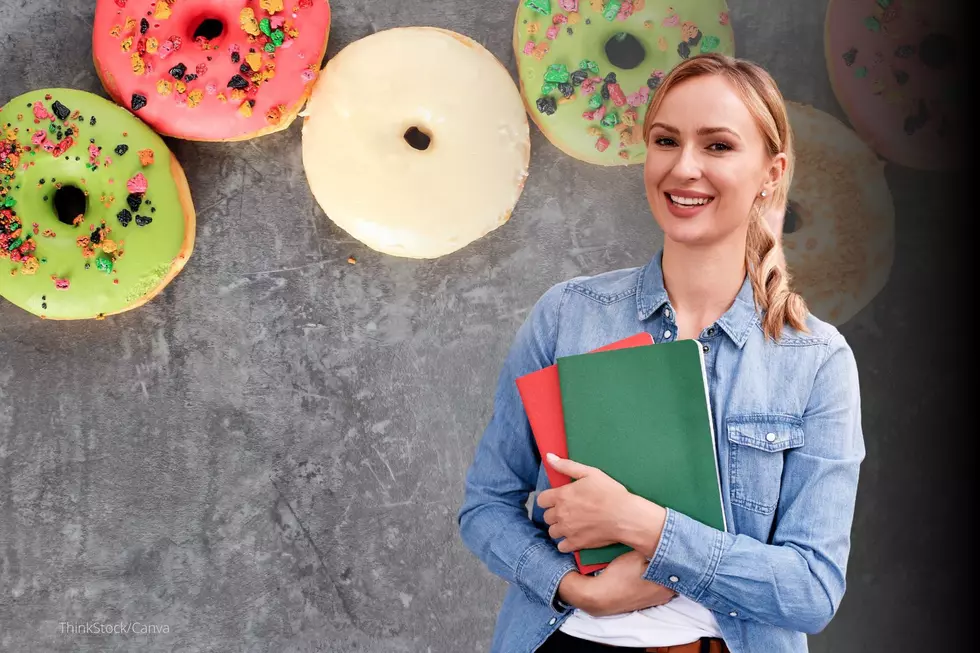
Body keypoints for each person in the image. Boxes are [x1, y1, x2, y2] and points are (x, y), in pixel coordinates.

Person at [457, 52, 865, 653]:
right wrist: (573, 587)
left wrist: (643, 527)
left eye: (719, 146)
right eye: (666, 140)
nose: (684, 168)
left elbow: (812, 590)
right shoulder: (568, 315)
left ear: (772, 173)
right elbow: (486, 506)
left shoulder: (816, 361)